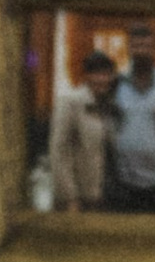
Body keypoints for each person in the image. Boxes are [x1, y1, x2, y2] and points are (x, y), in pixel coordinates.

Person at [104, 22, 155, 215]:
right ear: (129, 48)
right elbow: (106, 128)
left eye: (146, 46)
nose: (141, 51)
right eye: (136, 46)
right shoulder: (116, 84)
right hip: (122, 185)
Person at [50, 42, 121, 210]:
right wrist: (69, 197)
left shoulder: (109, 106)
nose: (102, 79)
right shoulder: (70, 102)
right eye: (96, 74)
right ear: (87, 76)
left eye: (106, 74)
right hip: (78, 199)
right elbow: (58, 153)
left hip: (103, 196)